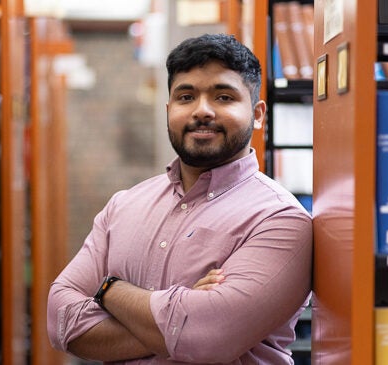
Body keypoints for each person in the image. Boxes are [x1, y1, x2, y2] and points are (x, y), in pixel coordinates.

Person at [47, 33, 313, 364]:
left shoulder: (281, 220)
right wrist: (177, 320)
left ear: (258, 114)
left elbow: (205, 339)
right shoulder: (124, 205)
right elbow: (62, 322)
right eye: (186, 97)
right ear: (169, 109)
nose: (202, 111)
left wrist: (108, 290)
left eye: (223, 97)